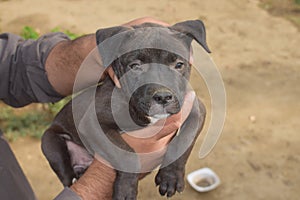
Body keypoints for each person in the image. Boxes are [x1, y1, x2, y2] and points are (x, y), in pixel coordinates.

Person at [0, 17, 194, 199]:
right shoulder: (112, 100)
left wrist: (174, 164)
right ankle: (70, 180)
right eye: (136, 66)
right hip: (73, 139)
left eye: (177, 65)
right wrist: (122, 170)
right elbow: (91, 124)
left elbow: (196, 115)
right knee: (51, 141)